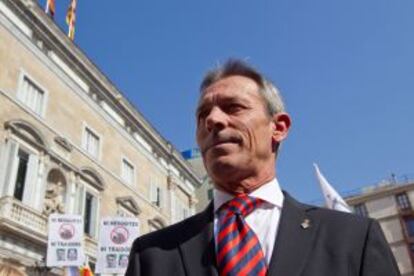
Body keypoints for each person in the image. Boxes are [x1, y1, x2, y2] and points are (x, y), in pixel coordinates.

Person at [126, 59, 400, 275]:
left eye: (233, 107)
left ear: (278, 128)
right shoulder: (151, 254)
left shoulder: (354, 238)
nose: (213, 120)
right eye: (202, 115)